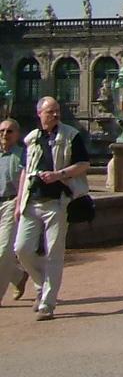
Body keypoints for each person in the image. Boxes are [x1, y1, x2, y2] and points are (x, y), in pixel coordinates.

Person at [14, 97, 91, 320]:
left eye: (57, 111)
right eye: (50, 112)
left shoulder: (71, 135)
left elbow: (84, 164)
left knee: (54, 254)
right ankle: (41, 284)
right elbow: (25, 171)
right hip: (31, 201)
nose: (55, 115)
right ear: (40, 113)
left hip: (57, 202)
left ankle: (47, 304)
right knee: (21, 249)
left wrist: (59, 175)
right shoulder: (31, 138)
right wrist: (19, 202)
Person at [1, 118, 27, 305]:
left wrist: (20, 204)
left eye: (9, 131)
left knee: (3, 252)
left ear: (17, 135)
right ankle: (18, 276)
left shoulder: (23, 155)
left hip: (12, 203)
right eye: (2, 131)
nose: (4, 134)